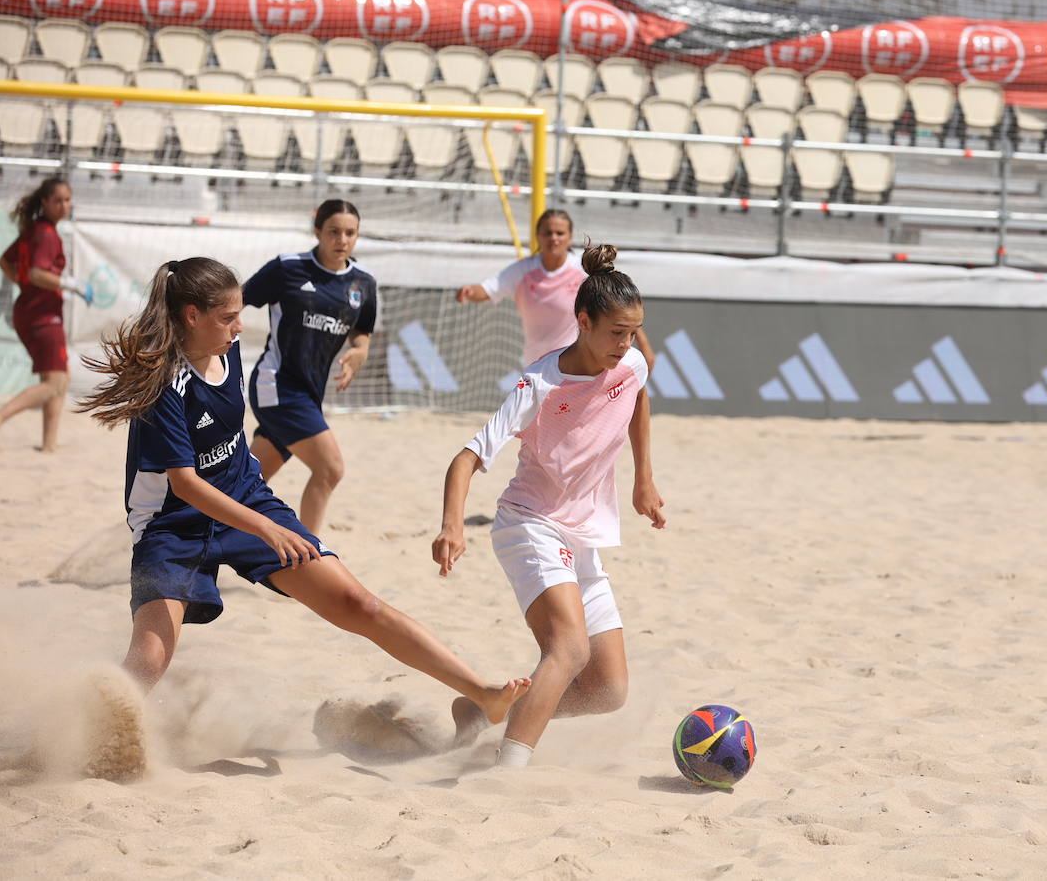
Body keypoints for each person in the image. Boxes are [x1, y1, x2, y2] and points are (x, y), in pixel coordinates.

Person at [77, 256, 529, 725]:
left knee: (360, 604)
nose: (240, 326)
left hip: (245, 496)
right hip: (171, 529)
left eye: (240, 313)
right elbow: (186, 486)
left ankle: (482, 694)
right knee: (149, 662)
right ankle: (79, 734)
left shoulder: (227, 352)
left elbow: (234, 436)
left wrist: (356, 346)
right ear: (192, 316)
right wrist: (269, 530)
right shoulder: (165, 385)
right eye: (228, 316)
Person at [433, 242, 666, 768]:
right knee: (569, 650)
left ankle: (484, 711)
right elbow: (466, 458)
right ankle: (508, 771)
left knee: (608, 689)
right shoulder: (538, 383)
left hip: (584, 535)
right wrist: (452, 527)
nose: (628, 345)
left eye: (633, 332)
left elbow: (639, 396)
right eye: (616, 332)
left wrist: (643, 478)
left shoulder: (630, 363)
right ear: (582, 320)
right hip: (530, 524)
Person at [242, 200, 377, 534]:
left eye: (350, 233)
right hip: (277, 385)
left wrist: (359, 353)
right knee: (330, 469)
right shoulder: (288, 268)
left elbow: (363, 336)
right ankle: (311, 557)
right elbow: (235, 301)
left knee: (245, 485)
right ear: (317, 231)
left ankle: (195, 531)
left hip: (310, 392)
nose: (342, 239)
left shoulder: (363, 284)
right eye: (334, 231)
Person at [456, 209, 655, 369]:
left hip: (577, 364)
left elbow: (620, 308)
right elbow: (489, 289)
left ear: (569, 237)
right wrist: (470, 291)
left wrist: (644, 346)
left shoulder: (583, 269)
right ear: (538, 236)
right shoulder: (523, 270)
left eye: (560, 233)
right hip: (537, 366)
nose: (554, 238)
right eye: (547, 232)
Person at [0, 176, 93, 451]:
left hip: (33, 311)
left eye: (67, 199)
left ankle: (49, 445)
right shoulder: (46, 233)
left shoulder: (37, 229)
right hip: (41, 315)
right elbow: (37, 272)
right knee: (54, 383)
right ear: (45, 202)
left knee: (60, 379)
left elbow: (6, 259)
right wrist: (70, 283)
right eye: (58, 201)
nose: (64, 205)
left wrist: (22, 282)